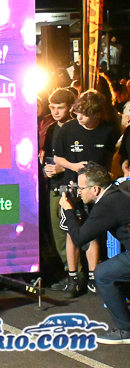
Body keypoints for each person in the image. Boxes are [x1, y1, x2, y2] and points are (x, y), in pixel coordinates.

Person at [52, 90, 120, 297]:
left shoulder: (108, 130)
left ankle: (93, 278)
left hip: (97, 191)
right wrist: (74, 166)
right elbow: (58, 158)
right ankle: (73, 277)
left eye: (84, 114)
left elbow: (113, 156)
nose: (79, 117)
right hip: (73, 188)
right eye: (77, 113)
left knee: (94, 233)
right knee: (71, 232)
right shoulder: (68, 129)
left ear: (97, 114)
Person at [61, 163, 130, 344]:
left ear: (95, 189)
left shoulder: (106, 205)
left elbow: (78, 238)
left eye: (81, 188)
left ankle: (125, 330)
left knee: (103, 274)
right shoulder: (117, 192)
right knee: (116, 272)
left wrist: (68, 211)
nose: (79, 192)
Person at [40, 88, 76, 284]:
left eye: (60, 107)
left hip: (72, 183)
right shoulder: (52, 128)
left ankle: (77, 270)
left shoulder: (76, 128)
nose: (55, 112)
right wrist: (46, 169)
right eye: (52, 107)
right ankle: (68, 268)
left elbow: (83, 158)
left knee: (72, 226)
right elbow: (47, 155)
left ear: (70, 107)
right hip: (54, 183)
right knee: (57, 228)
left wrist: (63, 168)